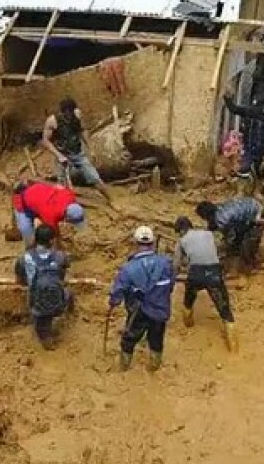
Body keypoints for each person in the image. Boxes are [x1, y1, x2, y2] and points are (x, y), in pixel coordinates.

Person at [109, 225, 175, 371]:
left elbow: (118, 291)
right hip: (160, 310)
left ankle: (124, 367)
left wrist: (113, 302)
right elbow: (171, 285)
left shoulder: (128, 268)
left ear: (135, 243)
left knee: (129, 339)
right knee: (156, 339)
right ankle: (153, 367)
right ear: (152, 244)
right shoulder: (165, 263)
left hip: (139, 311)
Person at [174, 216, 238, 352]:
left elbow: (176, 264)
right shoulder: (208, 234)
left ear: (180, 231)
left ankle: (188, 325)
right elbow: (218, 248)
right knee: (225, 312)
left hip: (195, 274)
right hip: (214, 273)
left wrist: (174, 274)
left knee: (188, 301)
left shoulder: (181, 240)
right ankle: (234, 350)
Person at [41, 97, 114, 204]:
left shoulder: (77, 115)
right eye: (67, 112)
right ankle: (63, 206)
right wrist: (59, 155)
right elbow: (46, 141)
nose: (69, 115)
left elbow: (82, 131)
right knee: (62, 184)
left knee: (94, 177)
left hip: (78, 153)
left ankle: (110, 199)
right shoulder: (52, 121)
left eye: (71, 112)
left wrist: (91, 148)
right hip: (62, 154)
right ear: (62, 112)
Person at [13, 224, 72, 350]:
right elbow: (65, 268)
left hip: (37, 302)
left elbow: (20, 280)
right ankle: (68, 311)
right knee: (68, 293)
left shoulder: (25, 258)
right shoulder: (60, 256)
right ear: (51, 240)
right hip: (58, 301)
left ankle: (47, 340)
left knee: (41, 323)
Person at [12, 179, 87, 248]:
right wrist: (59, 248)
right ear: (67, 217)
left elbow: (58, 186)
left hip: (40, 196)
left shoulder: (70, 196)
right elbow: (54, 234)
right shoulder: (51, 214)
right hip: (24, 203)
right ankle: (32, 252)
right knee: (26, 231)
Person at [195, 197, 264, 269]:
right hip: (250, 207)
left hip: (257, 215)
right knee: (238, 239)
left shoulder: (222, 219)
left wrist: (228, 247)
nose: (204, 219)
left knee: (249, 243)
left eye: (203, 217)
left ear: (206, 216)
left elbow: (231, 237)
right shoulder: (219, 209)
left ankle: (253, 264)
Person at [221, 90, 264, 179]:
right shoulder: (252, 112)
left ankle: (252, 175)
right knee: (247, 165)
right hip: (252, 147)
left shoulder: (263, 116)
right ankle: (250, 174)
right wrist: (227, 98)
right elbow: (234, 109)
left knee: (256, 167)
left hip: (257, 148)